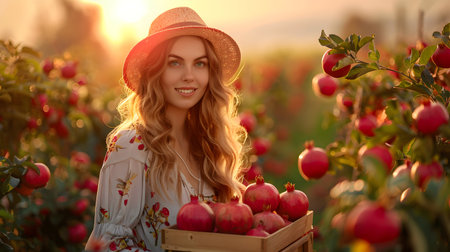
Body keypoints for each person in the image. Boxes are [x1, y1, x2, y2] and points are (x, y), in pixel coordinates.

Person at [85, 6, 248, 252]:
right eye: (175, 63)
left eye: (200, 64)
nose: (189, 76)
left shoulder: (206, 145)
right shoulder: (132, 145)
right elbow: (107, 245)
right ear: (155, 72)